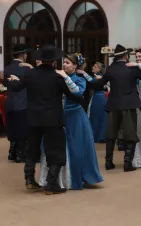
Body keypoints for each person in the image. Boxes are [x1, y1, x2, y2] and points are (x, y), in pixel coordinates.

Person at [8, 45, 82, 195]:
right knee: (55, 150)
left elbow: (16, 87)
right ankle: (52, 183)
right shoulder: (57, 76)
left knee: (32, 149)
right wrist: (79, 96)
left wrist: (12, 81)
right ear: (54, 60)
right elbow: (73, 95)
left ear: (40, 59)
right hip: (53, 119)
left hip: (33, 118)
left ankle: (29, 179)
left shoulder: (31, 74)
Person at [90, 44, 141, 172]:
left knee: (111, 134)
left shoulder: (110, 69)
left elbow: (100, 84)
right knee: (130, 133)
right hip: (129, 103)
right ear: (126, 56)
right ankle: (128, 163)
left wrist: (89, 81)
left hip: (113, 104)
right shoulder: (131, 68)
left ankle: (108, 162)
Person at [39, 54, 103, 190]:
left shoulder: (80, 80)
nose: (65, 65)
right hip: (59, 116)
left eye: (68, 63)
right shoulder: (58, 78)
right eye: (64, 62)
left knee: (76, 147)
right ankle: (56, 178)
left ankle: (76, 178)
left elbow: (78, 93)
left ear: (75, 66)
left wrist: (65, 77)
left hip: (76, 117)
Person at [3, 44, 31, 163]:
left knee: (12, 127)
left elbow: (5, 84)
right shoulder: (26, 68)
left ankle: (11, 153)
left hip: (10, 103)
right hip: (23, 102)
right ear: (23, 55)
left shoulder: (7, 68)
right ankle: (20, 154)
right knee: (22, 129)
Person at [78, 61, 108, 143]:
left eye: (94, 67)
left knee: (97, 116)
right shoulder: (96, 76)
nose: (92, 68)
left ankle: (99, 136)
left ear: (99, 69)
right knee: (95, 116)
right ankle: (96, 135)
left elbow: (92, 81)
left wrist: (84, 72)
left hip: (99, 98)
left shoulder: (100, 76)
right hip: (96, 97)